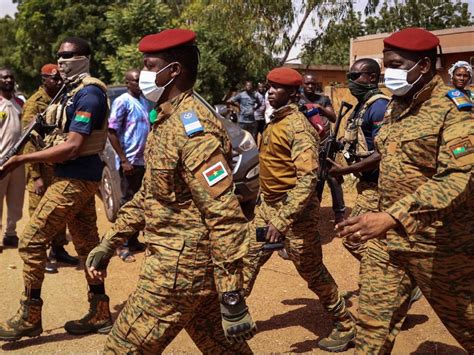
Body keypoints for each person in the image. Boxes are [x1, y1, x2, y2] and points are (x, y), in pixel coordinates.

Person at [85, 29, 256, 353]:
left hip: (176, 274)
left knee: (122, 348)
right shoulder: (166, 120)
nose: (145, 75)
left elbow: (225, 216)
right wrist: (111, 241)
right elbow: (151, 194)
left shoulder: (193, 130)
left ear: (173, 71)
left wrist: (232, 296)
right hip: (189, 268)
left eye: (150, 66)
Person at [336, 28, 474, 353]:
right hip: (388, 244)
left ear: (423, 66)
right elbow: (392, 151)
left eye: (396, 64)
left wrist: (393, 216)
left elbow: (459, 177)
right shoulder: (398, 104)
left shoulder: (456, 111)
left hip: (439, 247)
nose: (388, 73)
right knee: (370, 328)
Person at [0, 37, 112, 340]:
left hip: (74, 178)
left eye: (69, 55)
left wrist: (20, 160)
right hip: (75, 177)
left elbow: (73, 146)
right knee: (87, 246)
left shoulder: (90, 93)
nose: (62, 60)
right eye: (59, 55)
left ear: (86, 57)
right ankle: (100, 311)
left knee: (32, 241)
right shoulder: (69, 92)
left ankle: (30, 315)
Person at [243, 67, 355, 353]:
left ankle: (345, 324)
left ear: (293, 93)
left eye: (277, 87)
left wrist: (282, 219)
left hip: (296, 215)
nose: (270, 91)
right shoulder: (274, 120)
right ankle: (234, 316)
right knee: (247, 259)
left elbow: (307, 180)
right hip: (268, 206)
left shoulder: (297, 127)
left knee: (312, 271)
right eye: (268, 86)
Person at [21, 64, 79, 274]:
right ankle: (40, 256)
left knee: (58, 210)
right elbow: (28, 141)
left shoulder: (62, 99)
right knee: (39, 213)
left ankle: (58, 248)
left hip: (56, 165)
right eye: (54, 79)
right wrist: (35, 175)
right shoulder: (34, 104)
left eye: (60, 79)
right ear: (44, 79)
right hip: (40, 169)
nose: (58, 82)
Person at [329, 59, 389, 260]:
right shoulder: (360, 107)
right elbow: (355, 143)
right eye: (349, 77)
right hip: (365, 184)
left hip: (377, 186)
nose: (351, 81)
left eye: (355, 76)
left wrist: (345, 171)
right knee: (378, 240)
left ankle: (386, 279)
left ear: (372, 77)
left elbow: (382, 152)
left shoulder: (379, 106)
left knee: (352, 238)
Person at [107, 68, 150, 262]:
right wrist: (124, 160)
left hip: (142, 162)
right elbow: (112, 131)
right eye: (136, 80)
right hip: (129, 162)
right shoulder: (122, 101)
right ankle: (121, 245)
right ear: (128, 83)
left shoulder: (143, 101)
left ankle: (133, 240)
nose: (140, 84)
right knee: (126, 204)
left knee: (139, 202)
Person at [299, 73, 346, 223]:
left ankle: (339, 212)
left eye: (313, 84)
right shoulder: (297, 100)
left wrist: (319, 108)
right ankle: (314, 211)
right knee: (314, 179)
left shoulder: (323, 99)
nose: (310, 86)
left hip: (326, 143)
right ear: (302, 84)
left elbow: (333, 117)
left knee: (333, 177)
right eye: (307, 84)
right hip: (306, 145)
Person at [0, 68, 24, 250]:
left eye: (10, 77)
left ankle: (11, 233)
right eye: (4, 77)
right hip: (1, 162)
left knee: (16, 200)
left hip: (18, 161)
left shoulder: (19, 103)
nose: (8, 80)